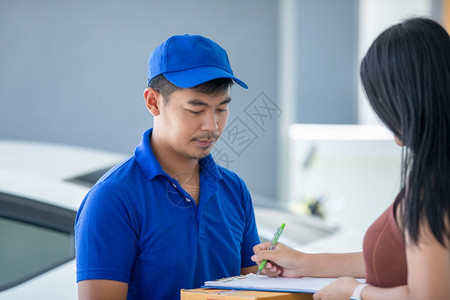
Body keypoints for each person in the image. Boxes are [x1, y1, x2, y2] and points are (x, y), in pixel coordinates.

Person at [252, 17, 449, 300]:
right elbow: (397, 257)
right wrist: (304, 263)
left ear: (407, 101)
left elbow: (430, 296)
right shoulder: (435, 176)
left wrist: (356, 292)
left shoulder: (432, 188)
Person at [75, 34, 260, 300]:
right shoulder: (113, 198)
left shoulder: (234, 191)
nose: (212, 125)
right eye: (196, 110)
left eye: (221, 109)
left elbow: (255, 291)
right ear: (153, 102)